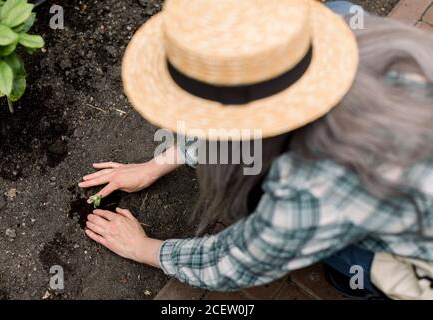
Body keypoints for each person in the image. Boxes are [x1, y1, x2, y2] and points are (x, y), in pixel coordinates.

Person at [78, 0, 433, 297]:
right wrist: (156, 165)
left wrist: (142, 248)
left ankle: (362, 275)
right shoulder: (342, 24)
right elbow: (254, 110)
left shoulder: (310, 190)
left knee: (353, 261)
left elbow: (234, 263)